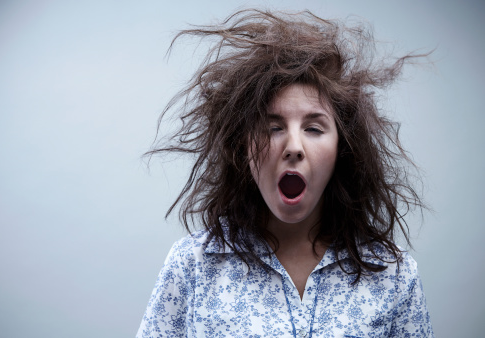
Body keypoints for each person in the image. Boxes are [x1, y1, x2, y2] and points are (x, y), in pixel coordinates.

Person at [137, 9, 434, 337]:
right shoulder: (192, 266)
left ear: (343, 150)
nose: (294, 146)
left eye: (314, 128)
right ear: (243, 147)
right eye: (272, 127)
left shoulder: (394, 275)